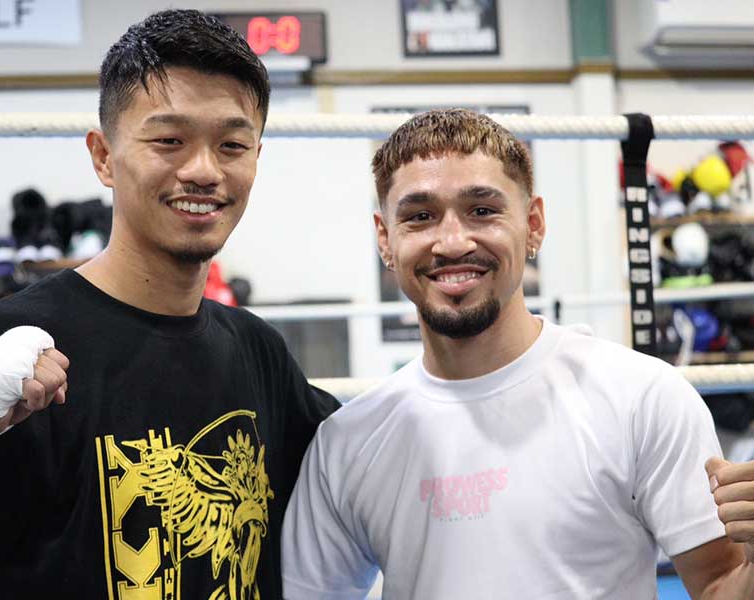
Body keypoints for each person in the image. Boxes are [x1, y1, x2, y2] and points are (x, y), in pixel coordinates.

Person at [0, 9, 337, 600]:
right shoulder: (8, 342)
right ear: (104, 156)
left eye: (232, 144)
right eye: (169, 140)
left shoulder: (258, 350)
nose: (204, 170)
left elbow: (371, 462)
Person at [281, 108, 754, 599]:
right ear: (386, 239)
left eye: (482, 210)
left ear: (533, 224)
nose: (452, 241)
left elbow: (721, 586)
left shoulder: (642, 398)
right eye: (420, 216)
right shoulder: (347, 442)